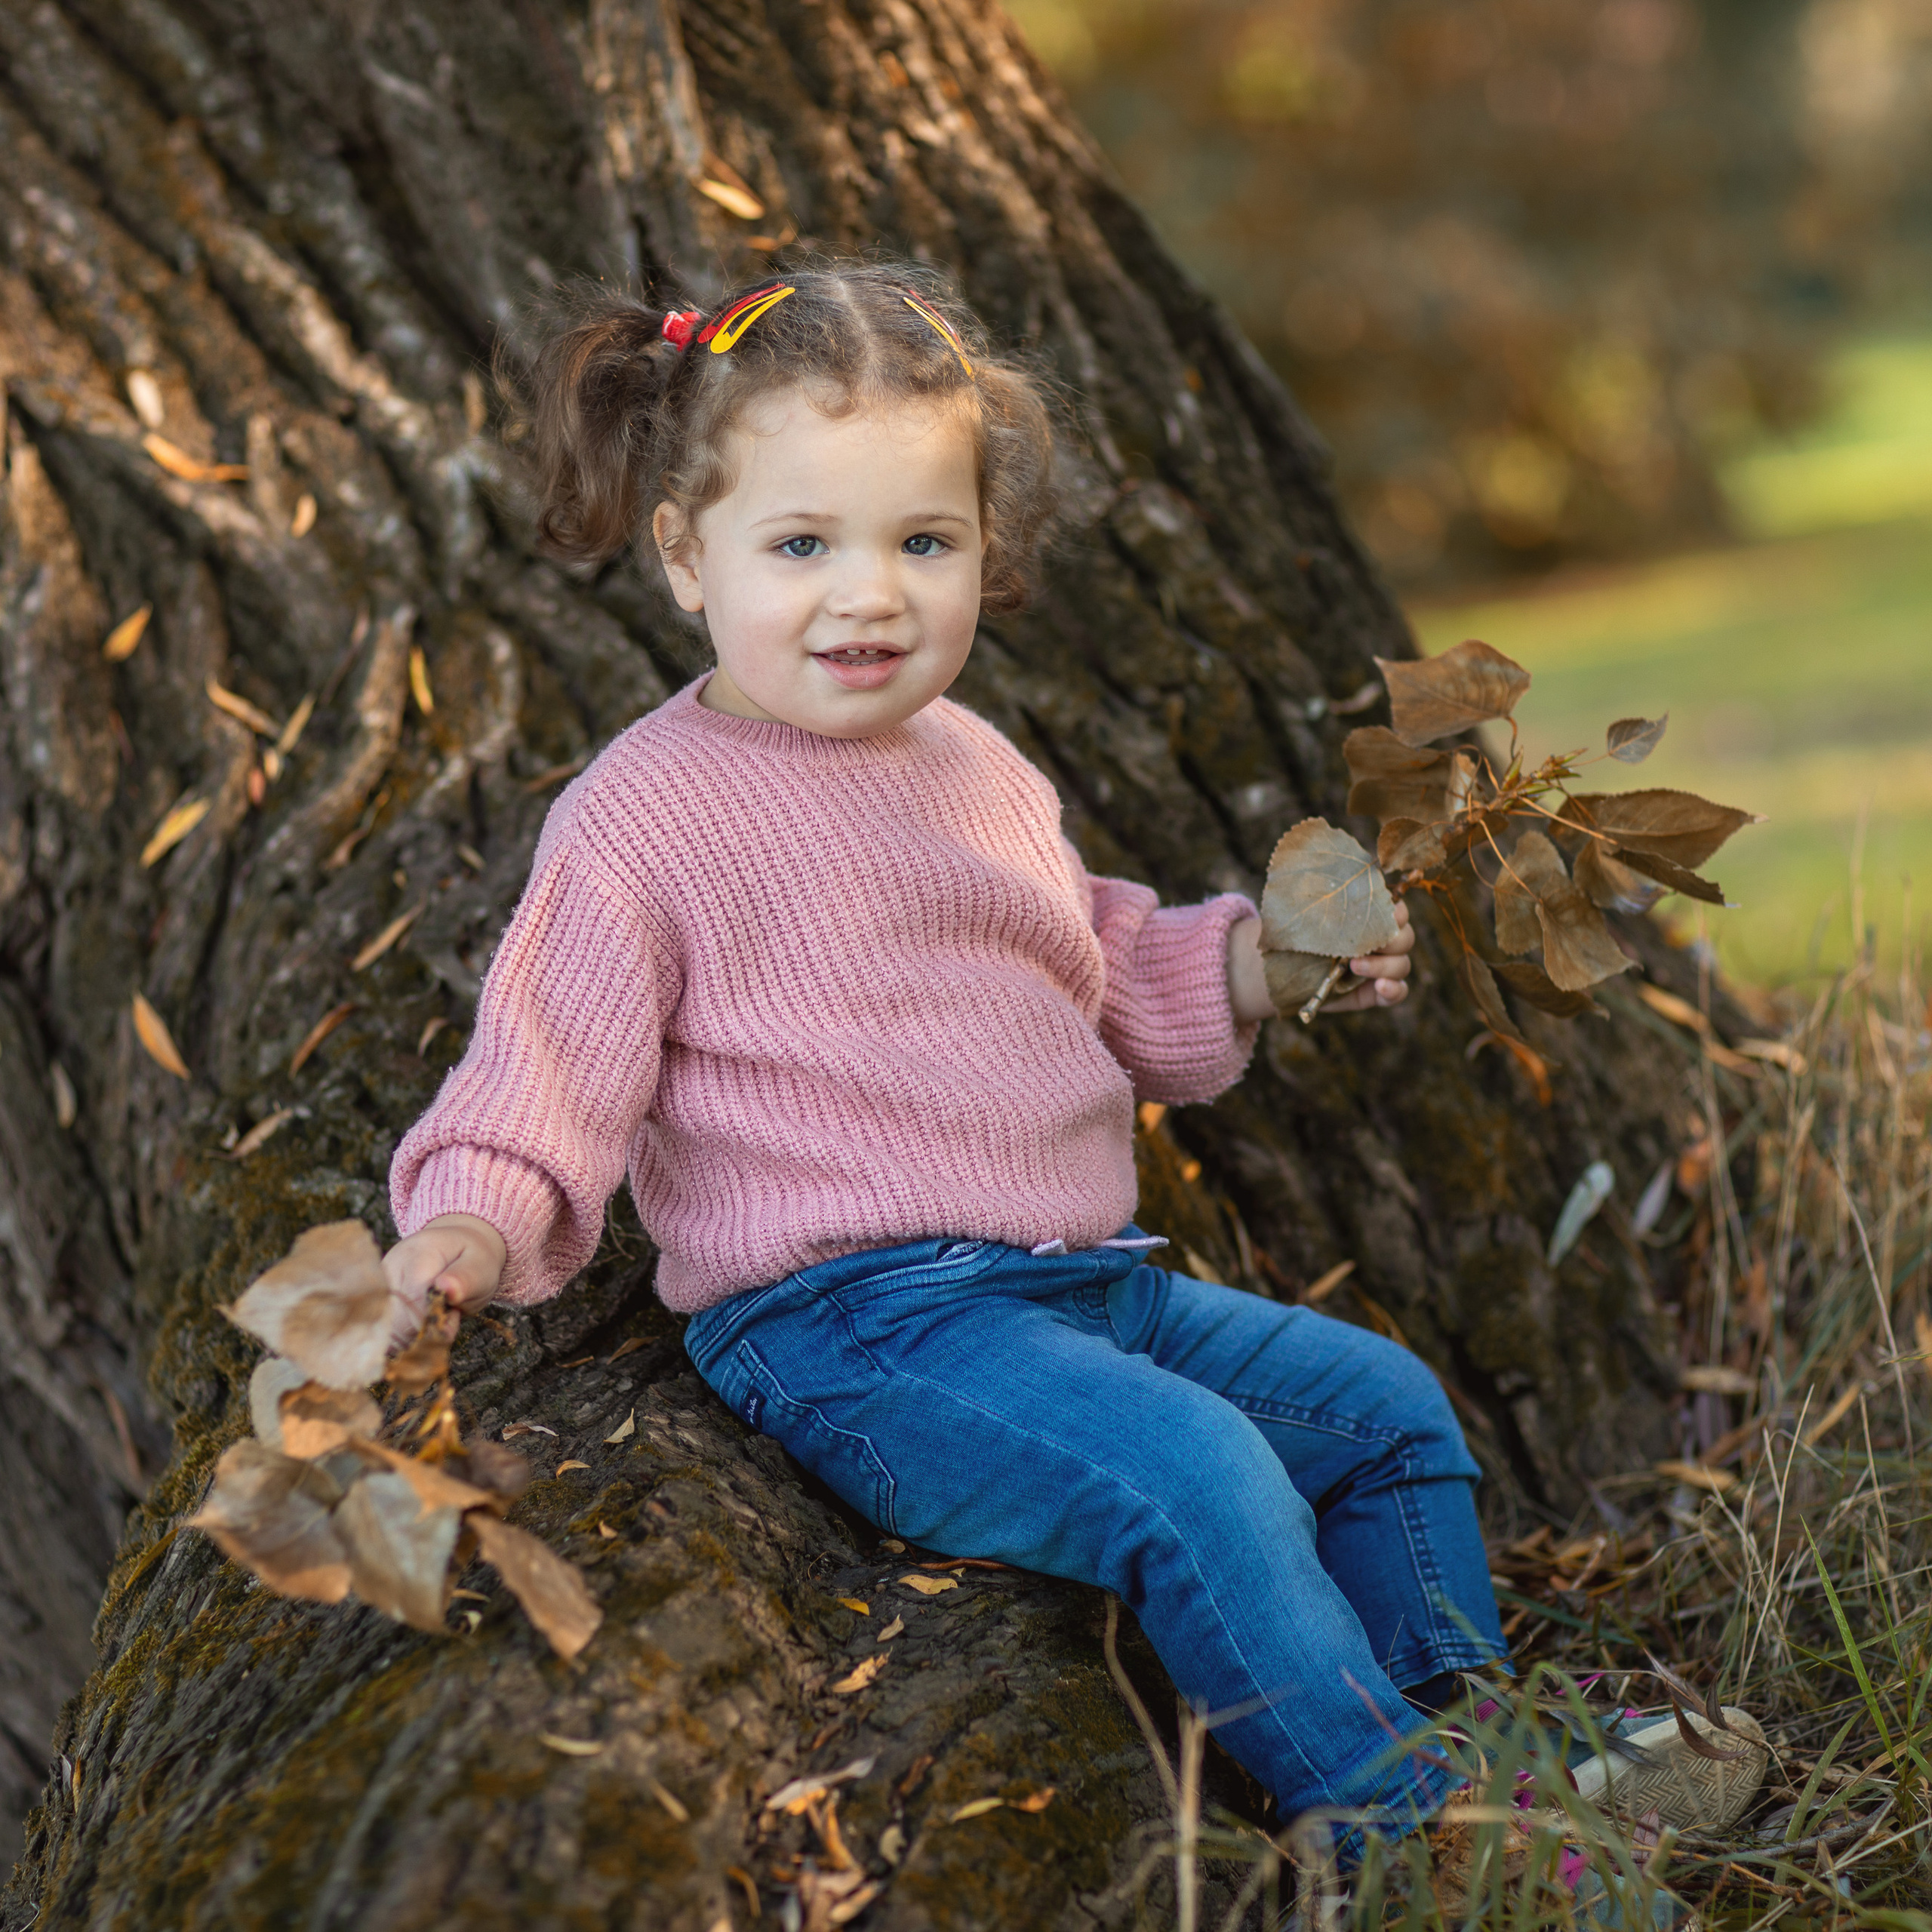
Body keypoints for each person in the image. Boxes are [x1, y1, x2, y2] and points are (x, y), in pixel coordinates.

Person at [379, 262, 1661, 1887]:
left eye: (924, 542)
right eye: (801, 546)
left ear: (986, 545)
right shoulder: (644, 818)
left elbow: (1098, 966)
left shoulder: (973, 761)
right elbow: (544, 1067)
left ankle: (1480, 1741)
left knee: (1380, 1411)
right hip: (854, 1324)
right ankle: (1418, 1840)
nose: (871, 595)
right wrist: (464, 1234)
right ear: (684, 557)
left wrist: (1265, 962)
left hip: (1075, 1290)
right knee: (1198, 1477)